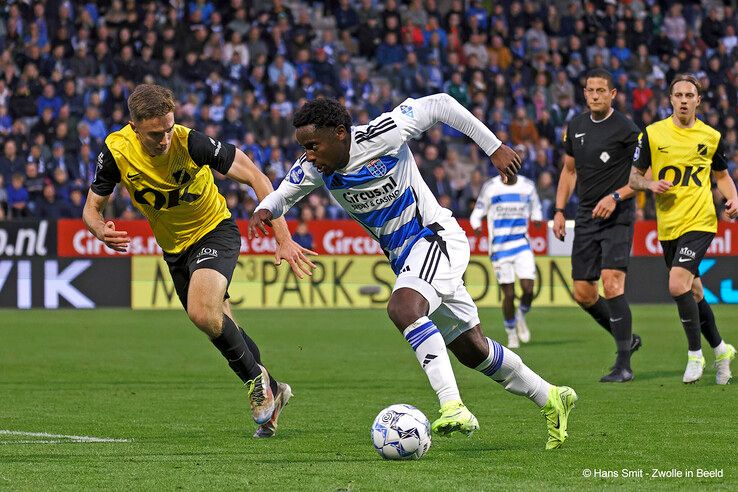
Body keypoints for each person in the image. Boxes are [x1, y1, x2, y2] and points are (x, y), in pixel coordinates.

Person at [249, 94, 578, 450]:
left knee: (403, 308)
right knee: (474, 351)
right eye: (303, 147)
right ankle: (552, 397)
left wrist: (494, 146)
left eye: (313, 145)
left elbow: (441, 104)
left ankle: (453, 406)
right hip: (407, 259)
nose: (308, 154)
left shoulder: (384, 133)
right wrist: (265, 209)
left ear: (340, 134)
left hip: (435, 238)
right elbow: (283, 193)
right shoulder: (315, 168)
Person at [82, 84, 317, 437]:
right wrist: (99, 230)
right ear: (134, 127)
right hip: (174, 250)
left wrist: (283, 238)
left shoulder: (190, 142)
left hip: (214, 232)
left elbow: (257, 176)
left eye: (168, 128)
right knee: (218, 324)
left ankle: (256, 380)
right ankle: (275, 387)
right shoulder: (116, 151)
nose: (164, 139)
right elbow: (91, 208)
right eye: (154, 134)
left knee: (201, 312)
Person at [630, 74, 737, 385]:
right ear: (671, 99)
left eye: (690, 95)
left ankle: (695, 355)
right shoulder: (652, 134)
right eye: (679, 95)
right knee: (694, 291)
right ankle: (721, 350)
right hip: (668, 225)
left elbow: (721, 177)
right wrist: (650, 184)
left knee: (677, 285)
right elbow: (634, 178)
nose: (684, 100)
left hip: (701, 220)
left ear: (698, 100)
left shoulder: (711, 136)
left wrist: (733, 198)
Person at [553, 69, 642, 383]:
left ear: (613, 94)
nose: (594, 95)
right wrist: (560, 210)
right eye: (590, 90)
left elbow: (643, 177)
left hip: (618, 216)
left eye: (601, 90)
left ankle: (623, 364)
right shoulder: (575, 126)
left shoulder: (628, 130)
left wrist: (616, 196)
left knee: (612, 283)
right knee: (583, 293)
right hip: (587, 216)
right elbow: (568, 171)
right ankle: (627, 338)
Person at [470, 174, 542, 349]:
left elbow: (537, 210)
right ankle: (511, 334)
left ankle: (521, 316)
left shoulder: (528, 186)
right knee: (508, 294)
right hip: (499, 248)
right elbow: (476, 213)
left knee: (529, 289)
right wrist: (476, 225)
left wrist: (537, 219)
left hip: (521, 244)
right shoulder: (491, 187)